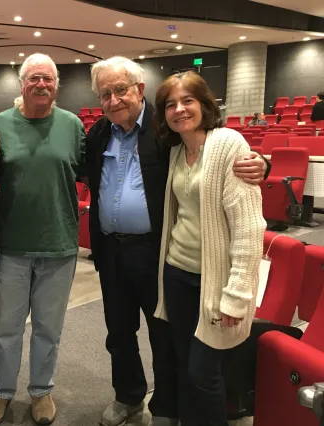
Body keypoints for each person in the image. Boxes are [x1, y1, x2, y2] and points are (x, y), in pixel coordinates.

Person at [85, 56, 269, 426]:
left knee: (165, 337)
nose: (113, 100)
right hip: (112, 251)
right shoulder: (98, 134)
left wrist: (264, 163)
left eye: (120, 89)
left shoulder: (162, 129)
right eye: (105, 94)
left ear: (139, 90)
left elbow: (220, 153)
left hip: (155, 254)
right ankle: (128, 396)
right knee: (119, 332)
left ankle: (165, 408)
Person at [153, 71, 266, 426]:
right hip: (177, 273)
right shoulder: (176, 151)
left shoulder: (228, 145)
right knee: (187, 366)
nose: (179, 110)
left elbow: (249, 229)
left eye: (188, 101)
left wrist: (238, 295)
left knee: (204, 372)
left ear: (205, 105)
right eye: (171, 104)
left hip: (213, 280)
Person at [0, 53, 85, 426]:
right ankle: (1, 392)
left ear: (56, 85)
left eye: (49, 79)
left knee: (48, 328)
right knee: (6, 325)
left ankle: (41, 391)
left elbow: (94, 173)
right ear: (22, 83)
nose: (42, 85)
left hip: (59, 244)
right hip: (10, 246)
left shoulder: (72, 126)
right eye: (34, 78)